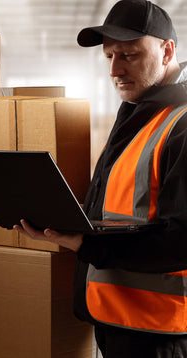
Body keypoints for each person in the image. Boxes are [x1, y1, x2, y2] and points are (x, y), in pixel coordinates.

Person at [14, 0, 187, 356]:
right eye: (109, 56)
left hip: (160, 332)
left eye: (129, 55)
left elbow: (182, 240)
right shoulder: (141, 112)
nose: (115, 69)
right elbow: (133, 208)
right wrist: (66, 215)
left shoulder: (180, 123)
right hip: (117, 318)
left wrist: (84, 243)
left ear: (167, 51)